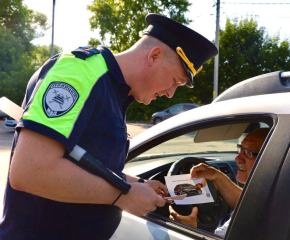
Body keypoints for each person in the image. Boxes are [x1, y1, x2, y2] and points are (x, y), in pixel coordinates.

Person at [0, 14, 218, 239]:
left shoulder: (114, 90)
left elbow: (84, 163)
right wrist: (122, 195)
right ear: (154, 56)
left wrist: (137, 183)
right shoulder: (77, 72)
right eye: (175, 81)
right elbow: (29, 171)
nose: (170, 93)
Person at [169, 128, 269, 238]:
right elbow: (250, 204)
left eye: (248, 152)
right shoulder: (272, 193)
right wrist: (218, 177)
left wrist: (190, 230)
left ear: (270, 158)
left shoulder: (262, 214)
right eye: (240, 149)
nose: (237, 158)